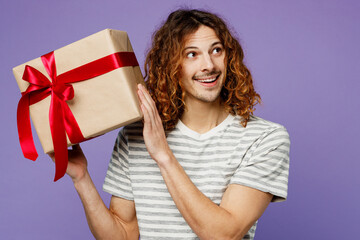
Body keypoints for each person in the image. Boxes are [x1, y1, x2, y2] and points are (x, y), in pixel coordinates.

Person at [62, 9, 290, 240]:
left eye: (216, 50)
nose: (209, 65)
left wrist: (163, 154)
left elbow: (224, 235)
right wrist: (81, 179)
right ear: (171, 65)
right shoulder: (134, 135)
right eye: (192, 54)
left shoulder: (265, 138)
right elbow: (123, 235)